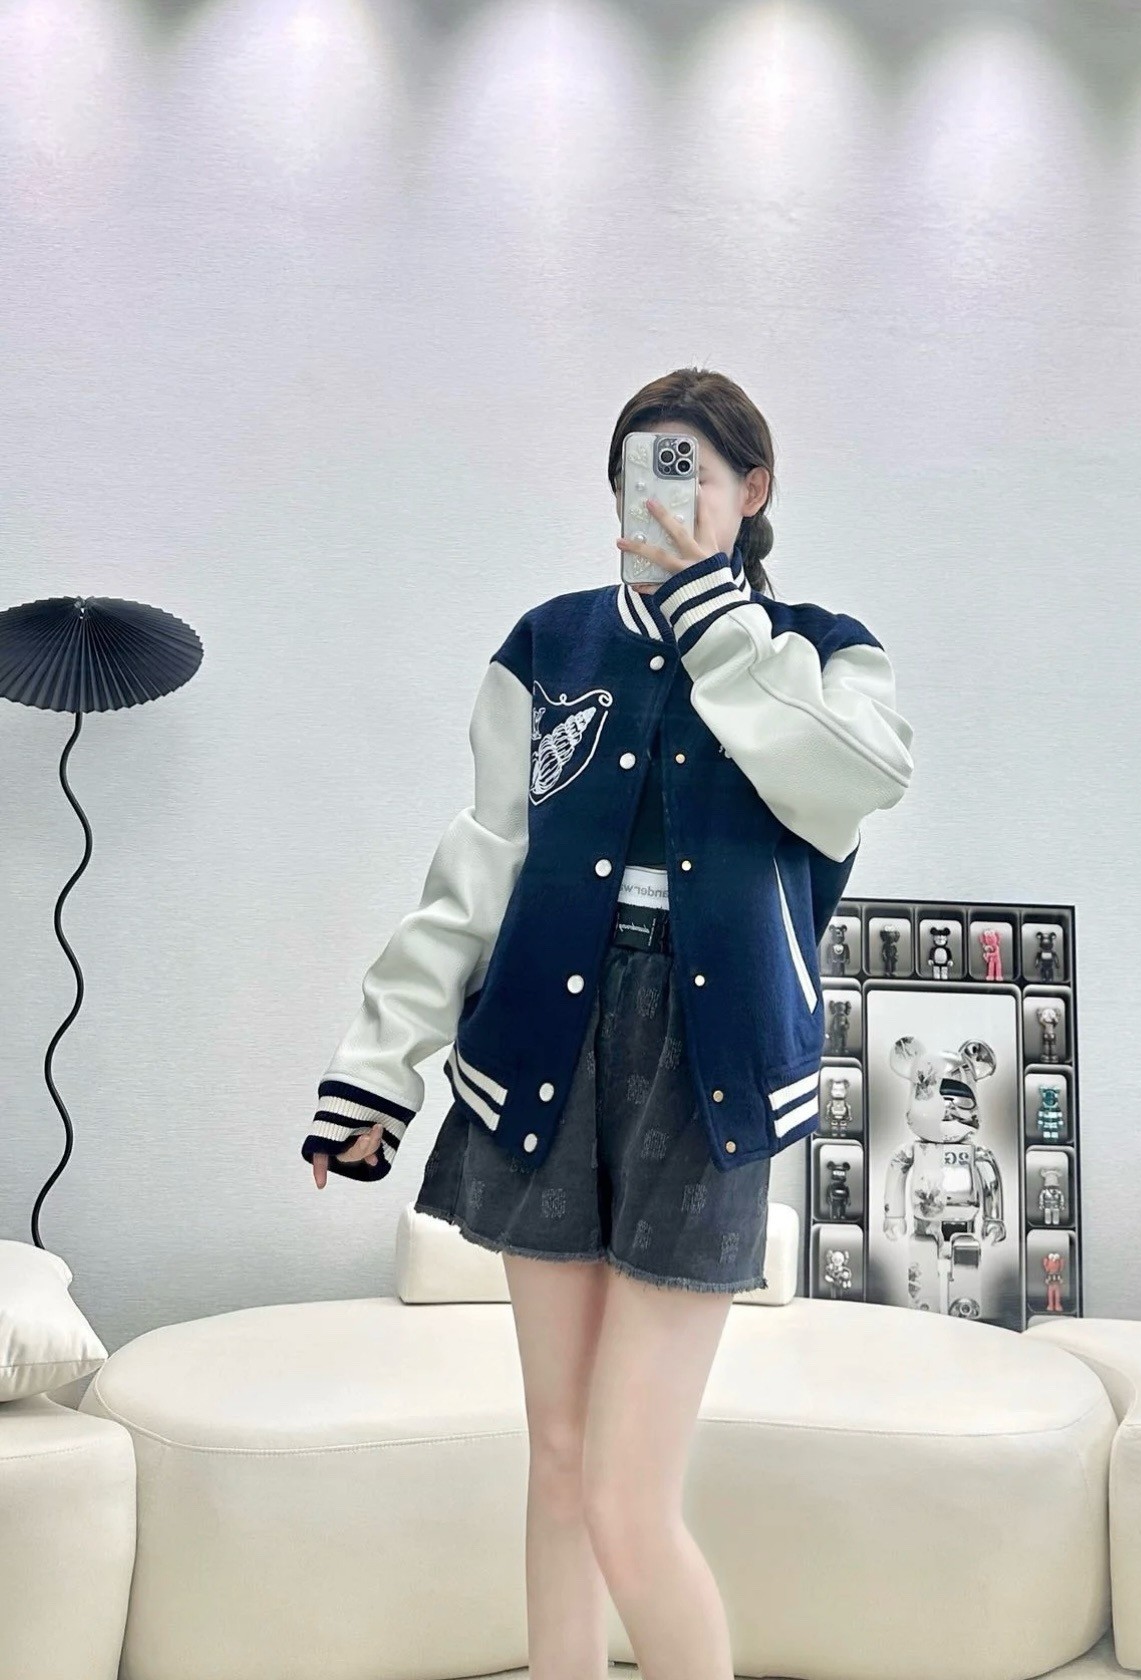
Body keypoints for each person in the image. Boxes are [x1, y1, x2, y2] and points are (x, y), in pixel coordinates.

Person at [302, 366, 915, 1679]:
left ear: (754, 490)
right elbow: (479, 864)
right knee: (561, 1459)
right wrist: (376, 1073)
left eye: (692, 465)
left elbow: (851, 786)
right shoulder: (550, 644)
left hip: (708, 1064)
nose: (661, 492)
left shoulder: (820, 651)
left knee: (630, 1500)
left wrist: (714, 619)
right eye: (642, 465)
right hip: (539, 1045)